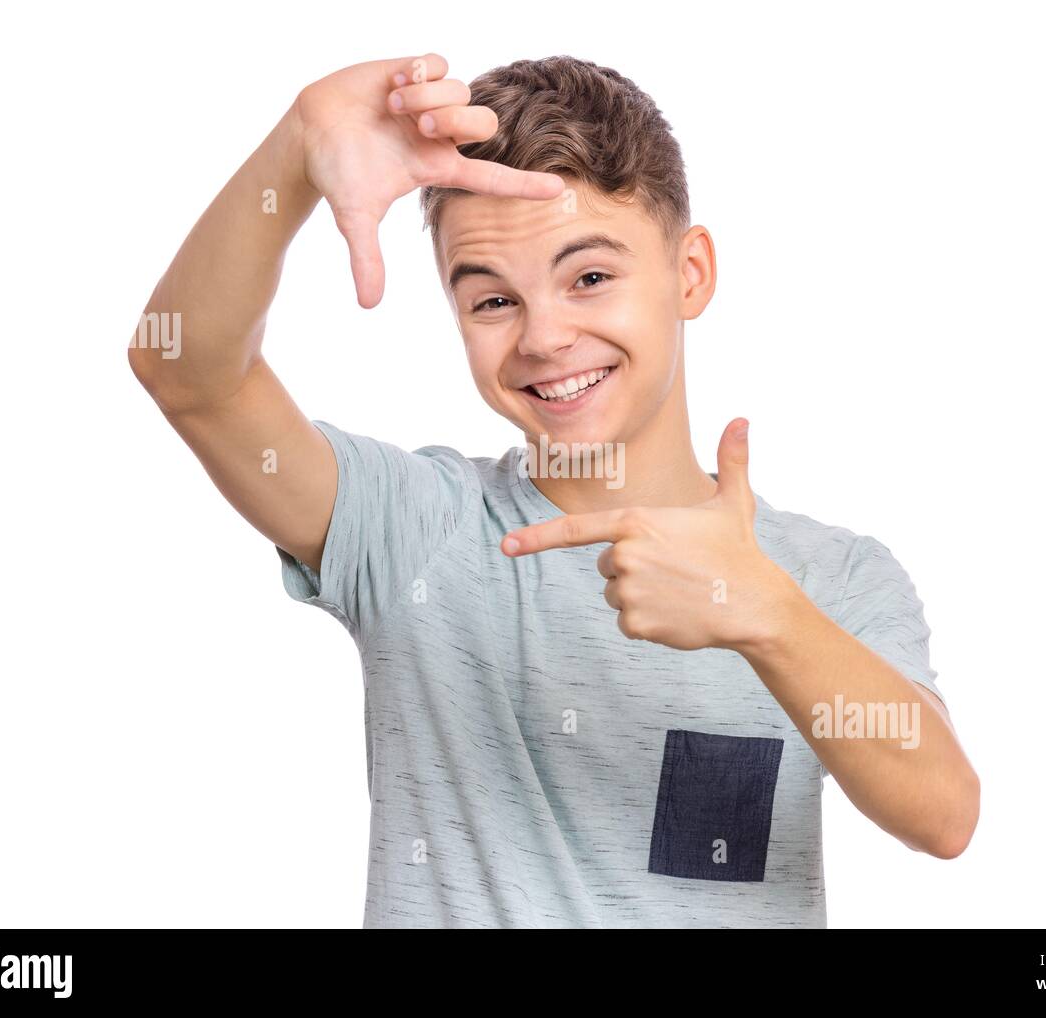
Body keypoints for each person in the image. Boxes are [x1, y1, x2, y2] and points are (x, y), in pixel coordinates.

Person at [128, 52, 980, 928]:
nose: (543, 336)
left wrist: (765, 614)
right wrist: (295, 150)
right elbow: (186, 371)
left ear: (690, 274)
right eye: (492, 301)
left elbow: (944, 816)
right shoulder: (416, 527)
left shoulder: (832, 577)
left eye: (590, 278)